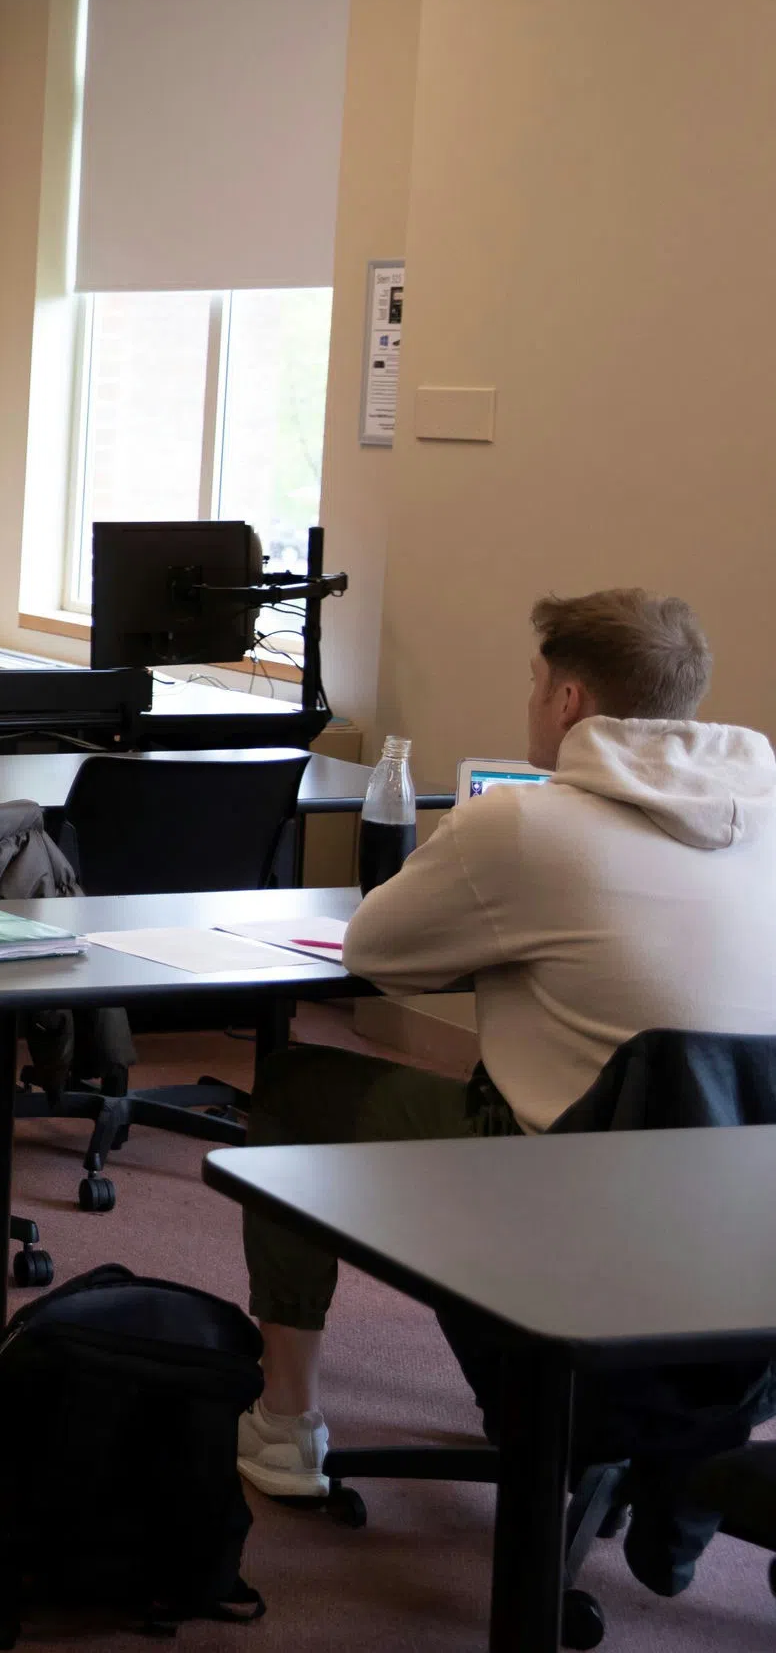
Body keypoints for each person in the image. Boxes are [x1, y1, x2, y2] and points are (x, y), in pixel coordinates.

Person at [237, 589, 776, 1502]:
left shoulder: (524, 823)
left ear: (567, 701)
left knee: (295, 1088)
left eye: (534, 684)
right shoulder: (763, 821)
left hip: (569, 1196)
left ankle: (284, 1423)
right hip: (740, 1208)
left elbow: (375, 950)